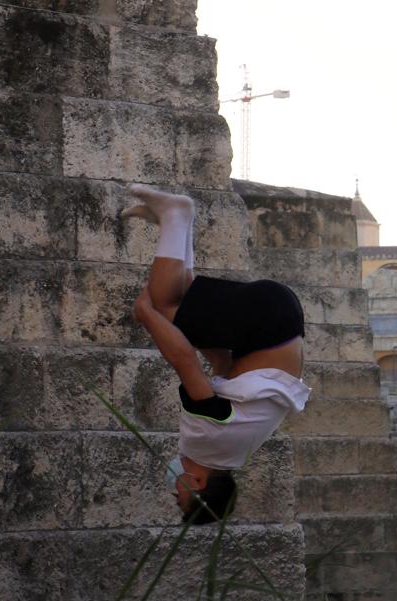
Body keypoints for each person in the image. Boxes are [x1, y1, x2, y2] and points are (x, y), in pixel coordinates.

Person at [123, 184, 311, 524]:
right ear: (197, 483)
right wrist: (147, 314)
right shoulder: (205, 444)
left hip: (280, 317)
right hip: (266, 326)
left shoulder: (234, 451)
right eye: (179, 497)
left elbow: (222, 362)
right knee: (162, 302)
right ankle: (176, 214)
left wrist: (187, 328)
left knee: (178, 305)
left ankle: (174, 223)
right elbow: (185, 362)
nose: (173, 490)